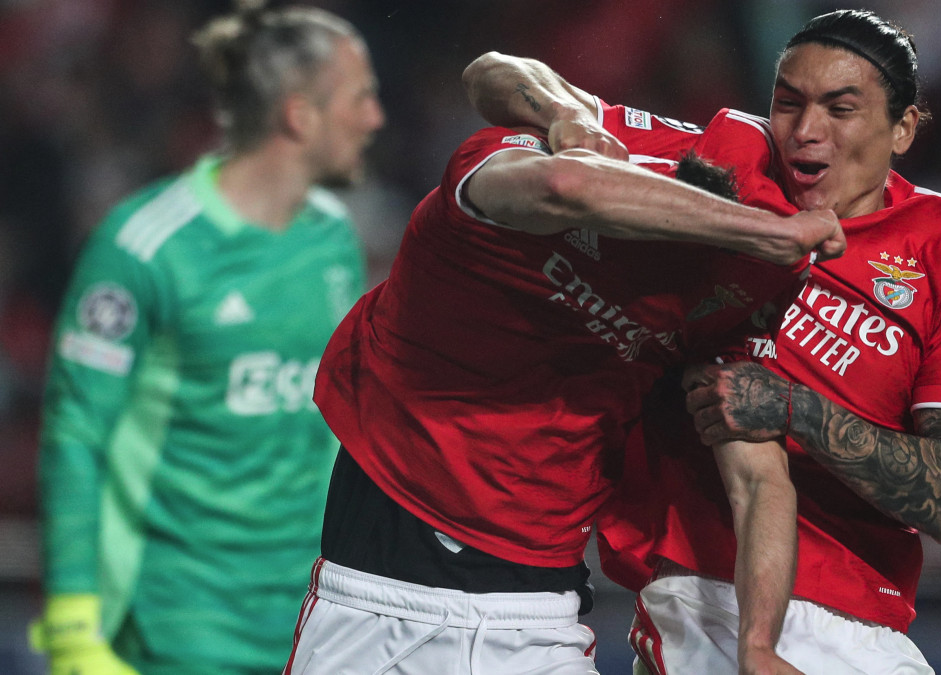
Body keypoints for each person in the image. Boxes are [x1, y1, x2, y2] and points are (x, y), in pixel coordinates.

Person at [463, 8, 941, 674]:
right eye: (789, 103)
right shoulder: (728, 158)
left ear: (903, 127)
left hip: (875, 625)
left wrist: (792, 409)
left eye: (840, 109)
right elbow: (493, 74)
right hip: (709, 595)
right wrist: (571, 120)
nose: (806, 131)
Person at [283, 57, 845, 672]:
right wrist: (764, 232)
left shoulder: (728, 294)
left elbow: (757, 475)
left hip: (539, 608)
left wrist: (759, 644)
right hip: (378, 585)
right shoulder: (504, 166)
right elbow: (517, 114)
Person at [30, 3, 383, 674]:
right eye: (360, 97)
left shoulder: (334, 237)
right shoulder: (144, 246)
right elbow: (76, 434)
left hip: (311, 621)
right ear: (299, 116)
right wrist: (73, 620)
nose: (375, 119)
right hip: (175, 625)